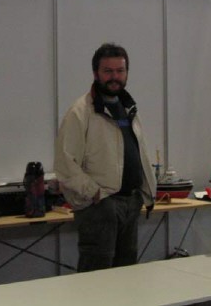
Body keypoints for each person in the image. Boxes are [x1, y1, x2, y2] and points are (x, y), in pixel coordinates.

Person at [54, 43, 156, 272]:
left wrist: (143, 193)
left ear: (127, 73)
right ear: (96, 73)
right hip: (100, 207)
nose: (114, 77)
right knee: (96, 277)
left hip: (130, 203)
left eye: (120, 71)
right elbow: (65, 164)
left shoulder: (128, 109)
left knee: (126, 276)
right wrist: (96, 193)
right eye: (108, 71)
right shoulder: (80, 112)